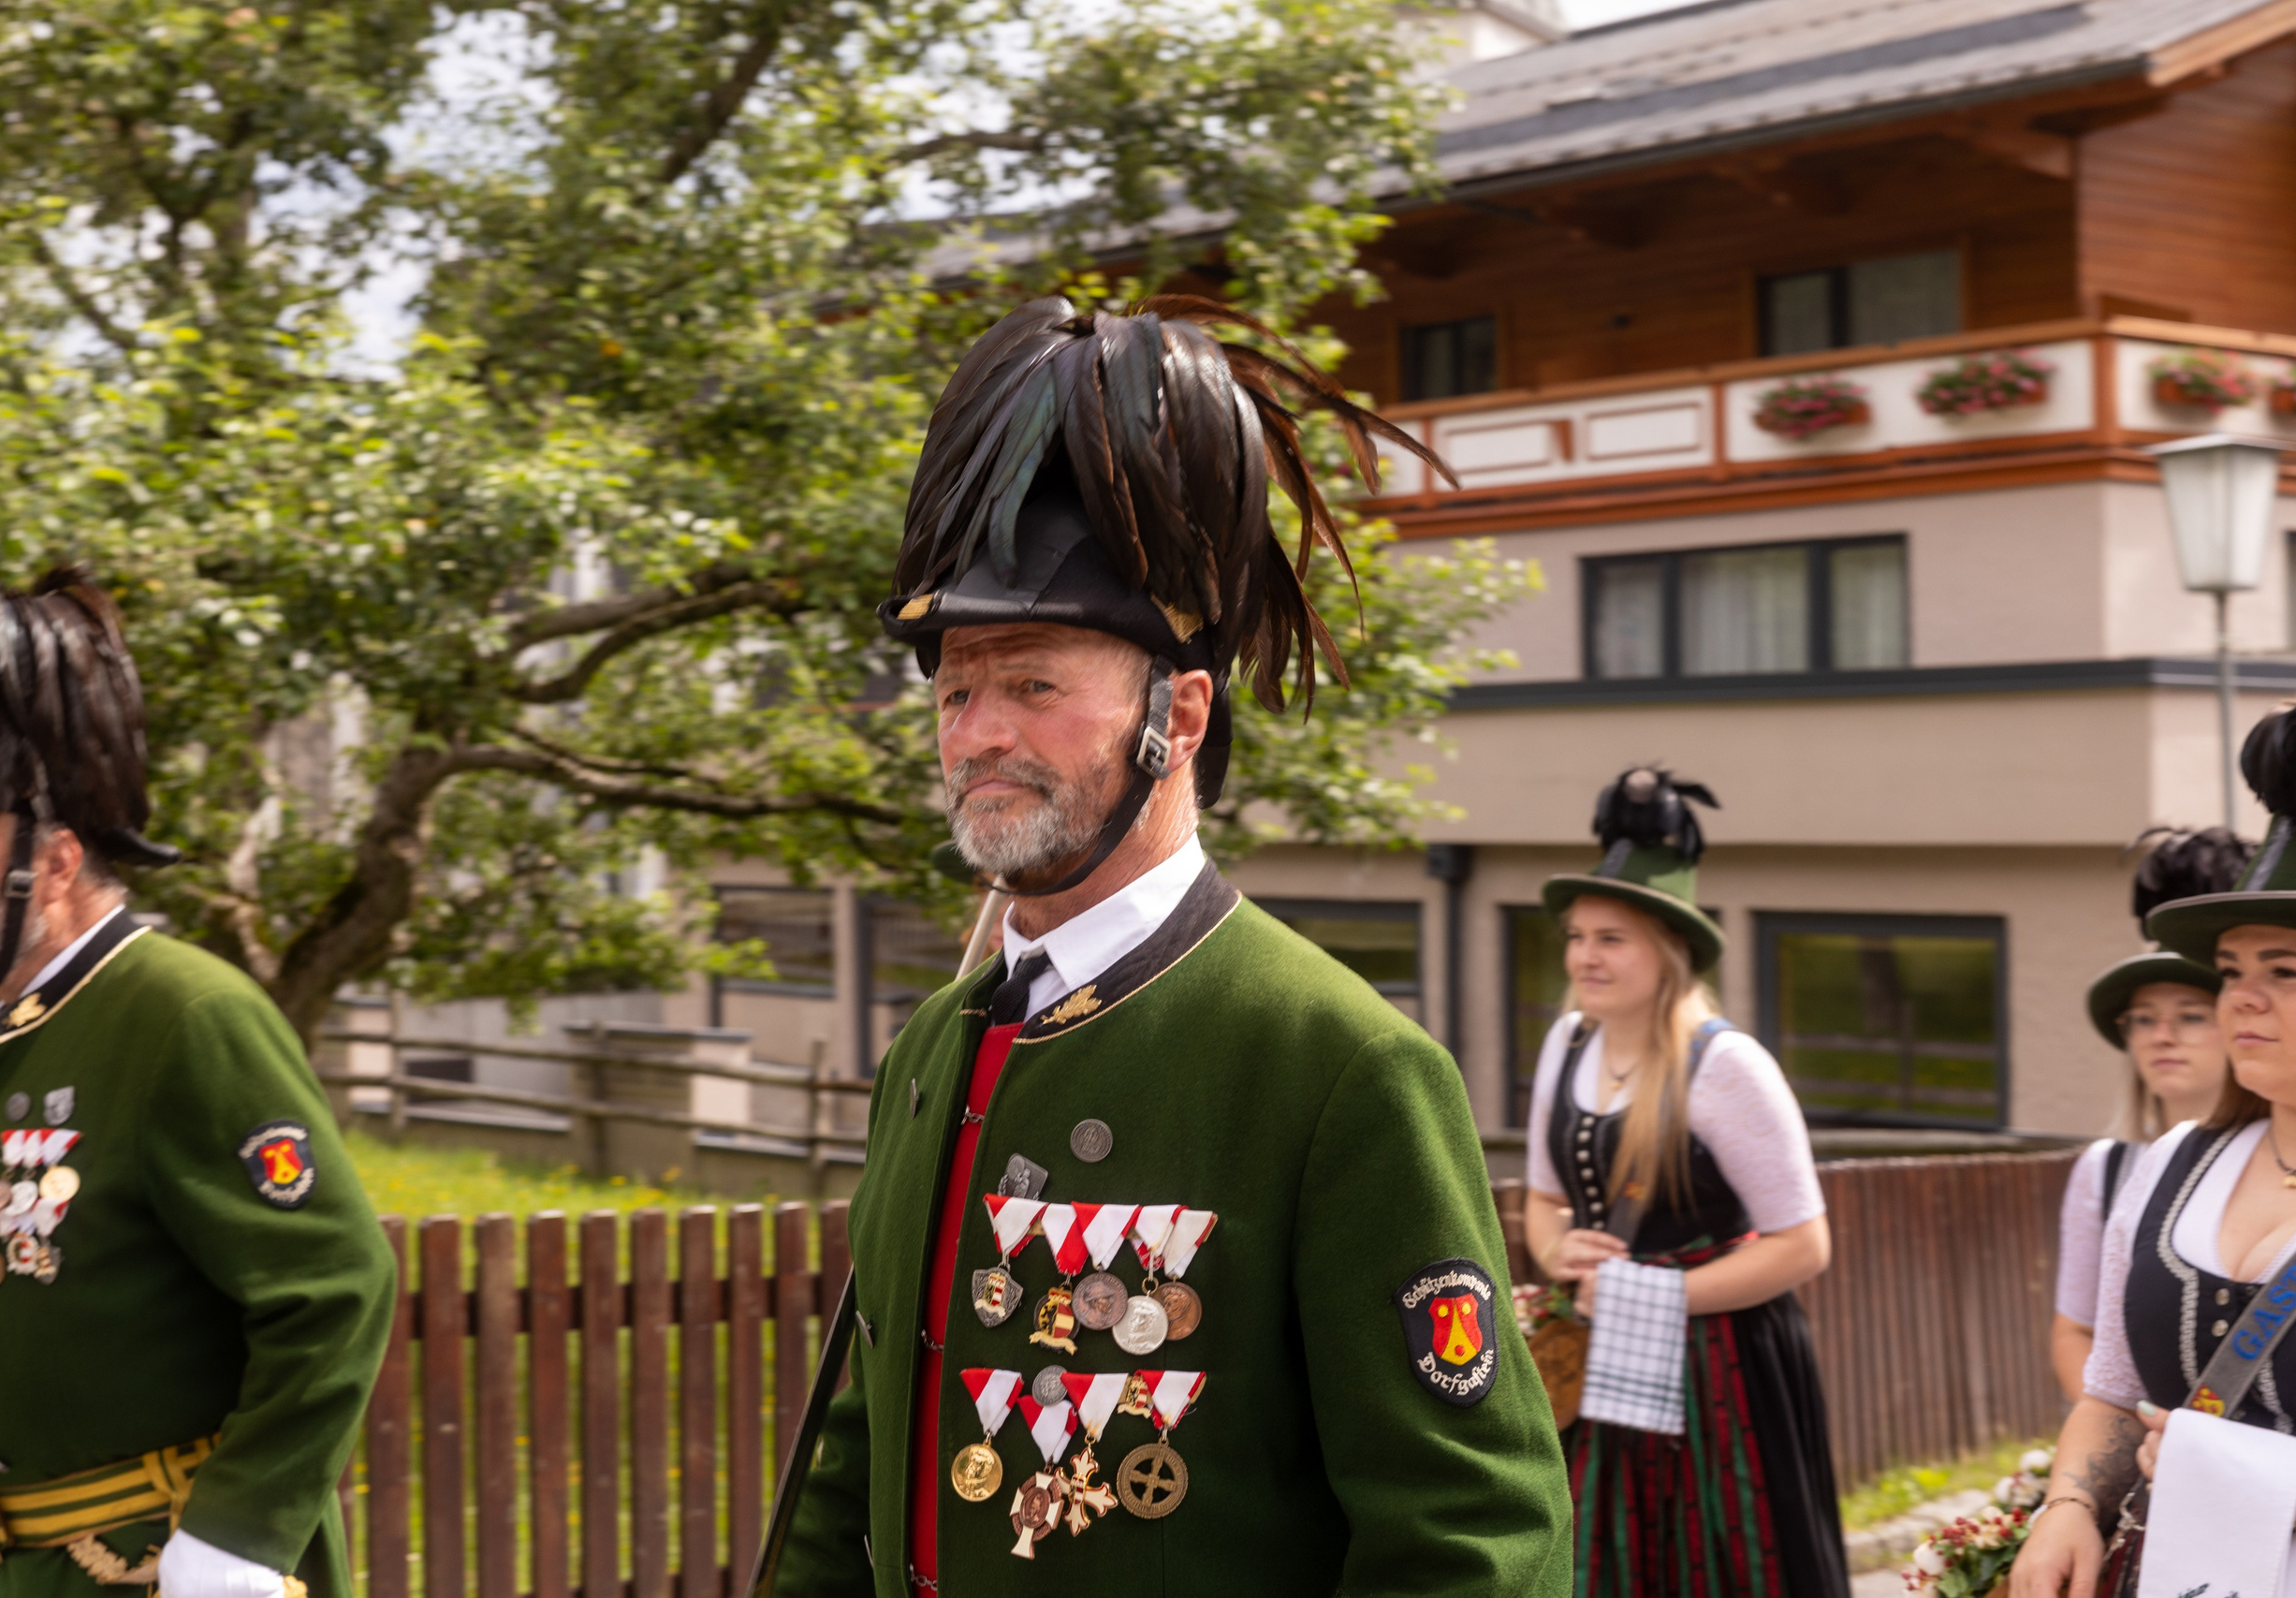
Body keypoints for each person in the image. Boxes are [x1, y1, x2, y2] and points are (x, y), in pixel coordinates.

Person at [766, 297, 1573, 1593]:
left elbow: (1476, 1538)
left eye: (1032, 682)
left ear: (1179, 714)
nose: (976, 732)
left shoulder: (1338, 1065)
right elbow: (861, 1457)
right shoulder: (930, 1048)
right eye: (956, 687)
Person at [0, 561, 395, 1598]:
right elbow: (1, 1309)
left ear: (58, 859)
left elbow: (335, 1289)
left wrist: (242, 1532)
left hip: (156, 1563)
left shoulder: (185, 1015)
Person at [1521, 768, 1845, 1598]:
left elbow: (1803, 1244)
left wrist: (1658, 1294)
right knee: (1600, 1548)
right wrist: (1560, 1253)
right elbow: (1544, 1198)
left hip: (1720, 1365)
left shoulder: (1728, 1064)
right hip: (1599, 1349)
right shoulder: (1568, 1040)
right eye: (1577, 935)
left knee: (1718, 1555)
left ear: (1669, 951)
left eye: (1612, 938)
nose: (1585, 956)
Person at [2013, 708, 2296, 1598]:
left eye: (2284, 970)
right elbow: (2112, 1390)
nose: (2242, 998)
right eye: (2232, 970)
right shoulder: (2173, 1160)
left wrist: (2245, 1472)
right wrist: (2068, 1505)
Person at [2051, 829, 2245, 1404]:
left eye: (2190, 1015)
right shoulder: (2107, 1168)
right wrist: (2119, 1434)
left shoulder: (2275, 1160)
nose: (2162, 1035)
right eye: (2143, 1018)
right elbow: (2075, 1329)